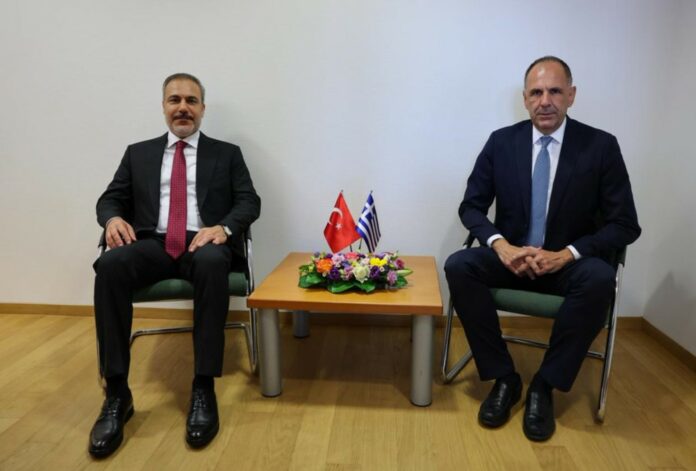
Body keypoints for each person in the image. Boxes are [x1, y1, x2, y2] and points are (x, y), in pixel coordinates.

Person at [444, 56, 640, 441]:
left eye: (554, 91)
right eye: (536, 92)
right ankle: (504, 377)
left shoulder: (600, 147)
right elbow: (471, 207)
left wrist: (568, 254)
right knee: (459, 265)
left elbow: (625, 224)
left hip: (566, 265)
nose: (545, 101)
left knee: (600, 277)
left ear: (571, 95)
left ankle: (544, 385)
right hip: (513, 260)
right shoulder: (501, 142)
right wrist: (501, 246)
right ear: (525, 99)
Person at [89, 73, 261, 457]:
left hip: (203, 243)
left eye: (191, 101)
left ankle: (203, 386)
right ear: (164, 107)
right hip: (153, 243)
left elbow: (249, 201)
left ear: (202, 108)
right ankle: (116, 393)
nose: (183, 107)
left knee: (213, 261)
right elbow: (110, 199)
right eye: (174, 100)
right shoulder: (138, 153)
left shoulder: (227, 153)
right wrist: (112, 219)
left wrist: (223, 228)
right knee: (110, 266)